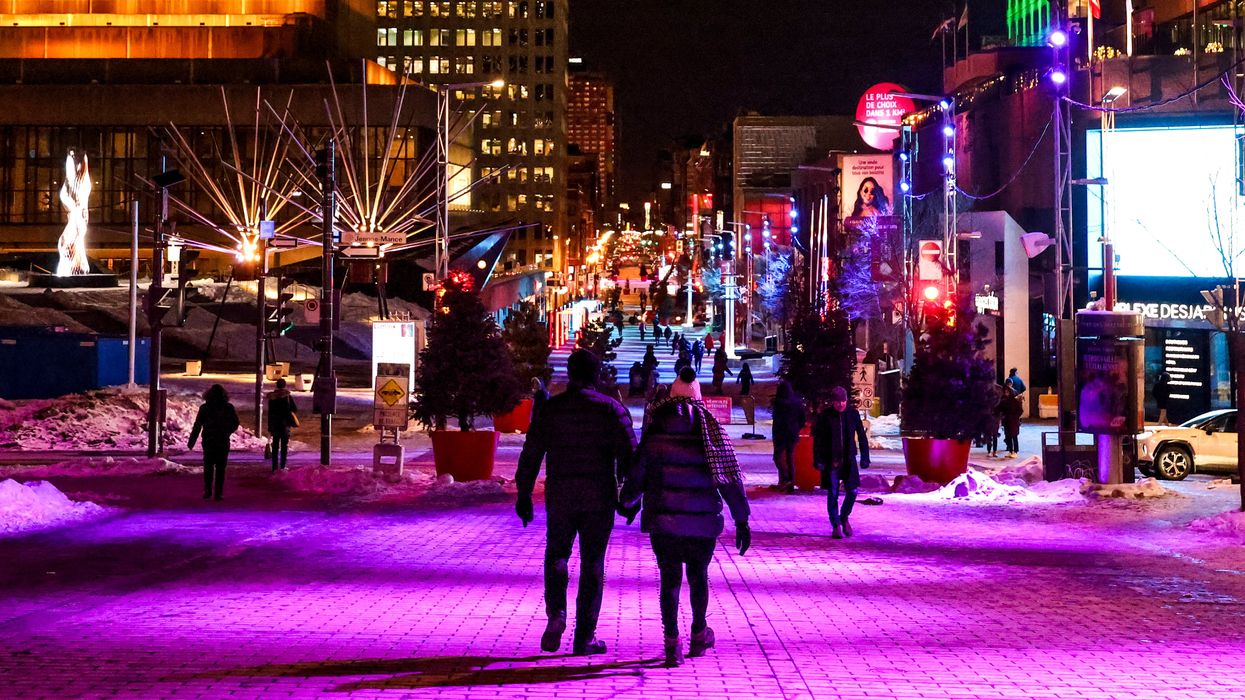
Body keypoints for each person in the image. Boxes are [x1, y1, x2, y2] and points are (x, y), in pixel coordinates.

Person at [516, 349, 638, 656]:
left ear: (570, 375)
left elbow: (531, 454)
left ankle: (556, 614)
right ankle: (584, 637)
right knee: (592, 563)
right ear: (596, 375)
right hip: (599, 496)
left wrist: (524, 494)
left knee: (557, 554)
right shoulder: (611, 410)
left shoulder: (552, 410)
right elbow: (630, 458)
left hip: (561, 494)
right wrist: (630, 498)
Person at [618, 394, 750, 667]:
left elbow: (636, 480)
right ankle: (699, 634)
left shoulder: (654, 438)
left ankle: (672, 644)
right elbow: (728, 480)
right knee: (698, 576)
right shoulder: (711, 437)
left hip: (664, 523)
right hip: (702, 524)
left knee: (670, 580)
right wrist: (741, 519)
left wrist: (626, 503)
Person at [812, 386, 869, 539]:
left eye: (843, 401)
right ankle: (836, 524)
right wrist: (818, 459)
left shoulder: (852, 414)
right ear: (833, 402)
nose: (841, 405)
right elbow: (818, 440)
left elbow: (862, 436)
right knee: (833, 493)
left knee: (852, 491)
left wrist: (865, 457)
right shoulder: (825, 416)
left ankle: (844, 517)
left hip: (849, 460)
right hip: (831, 461)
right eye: (837, 402)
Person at [187, 384, 240, 501]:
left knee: (208, 465)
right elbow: (235, 423)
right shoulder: (228, 407)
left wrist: (192, 440)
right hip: (222, 440)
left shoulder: (205, 408)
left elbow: (197, 425)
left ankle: (207, 489)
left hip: (209, 439)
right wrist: (227, 431)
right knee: (221, 467)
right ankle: (218, 492)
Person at [771, 381, 805, 490]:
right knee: (790, 458)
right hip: (792, 433)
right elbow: (802, 419)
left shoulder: (778, 402)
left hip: (780, 434)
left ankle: (785, 479)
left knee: (777, 457)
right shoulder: (797, 402)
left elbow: (776, 419)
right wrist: (796, 428)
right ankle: (791, 482)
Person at [266, 377, 298, 472]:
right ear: (284, 385)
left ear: (277, 385)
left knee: (275, 446)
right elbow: (294, 409)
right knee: (284, 446)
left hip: (275, 425)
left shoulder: (272, 398)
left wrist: (270, 426)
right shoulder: (287, 396)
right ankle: (283, 466)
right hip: (285, 425)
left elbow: (270, 413)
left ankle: (274, 467)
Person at [999, 384, 1023, 458]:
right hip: (1006, 421)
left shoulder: (1015, 401)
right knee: (1008, 436)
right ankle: (1010, 450)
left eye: (1007, 392)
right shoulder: (1003, 401)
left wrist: (1015, 417)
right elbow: (1000, 409)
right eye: (1005, 392)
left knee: (1014, 436)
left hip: (1013, 421)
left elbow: (1020, 410)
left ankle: (1015, 451)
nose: (1006, 393)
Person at [984, 384, 1003, 458]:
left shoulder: (993, 403)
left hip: (993, 420)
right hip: (993, 420)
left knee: (992, 436)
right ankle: (991, 451)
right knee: (992, 436)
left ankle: (992, 451)